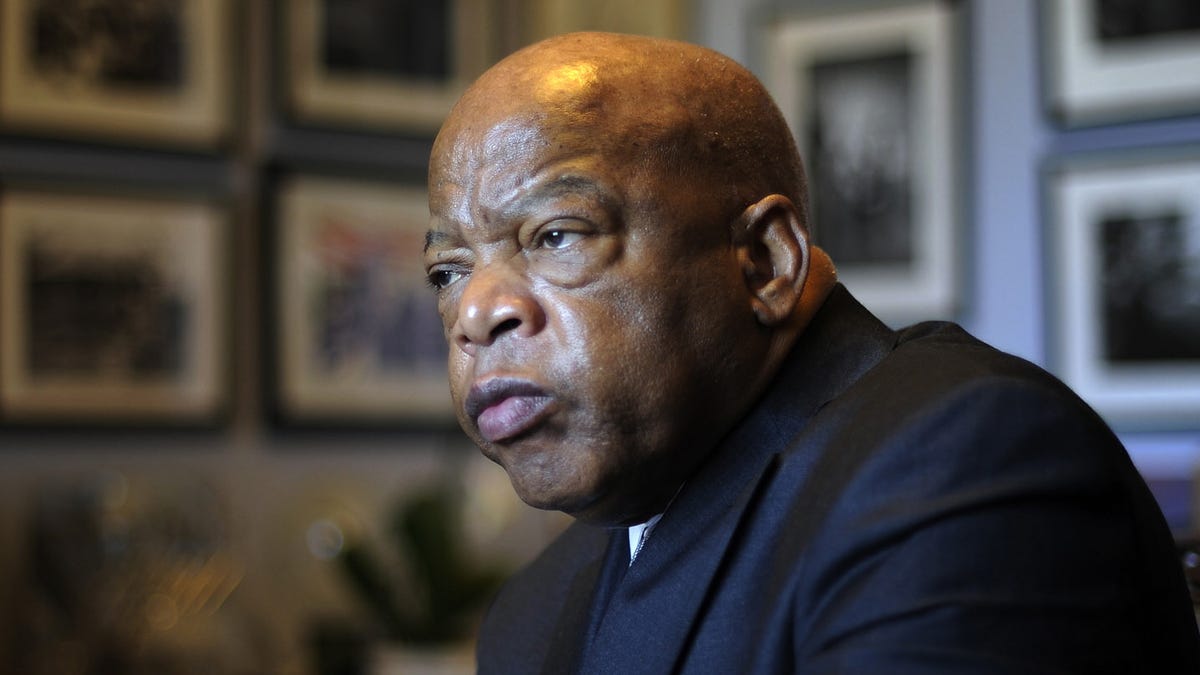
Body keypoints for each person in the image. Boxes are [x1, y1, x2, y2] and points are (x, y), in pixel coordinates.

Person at [422, 32, 1200, 673]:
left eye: (556, 234)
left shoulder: (962, 464)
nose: (479, 311)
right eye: (449, 272)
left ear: (765, 260)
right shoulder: (532, 615)